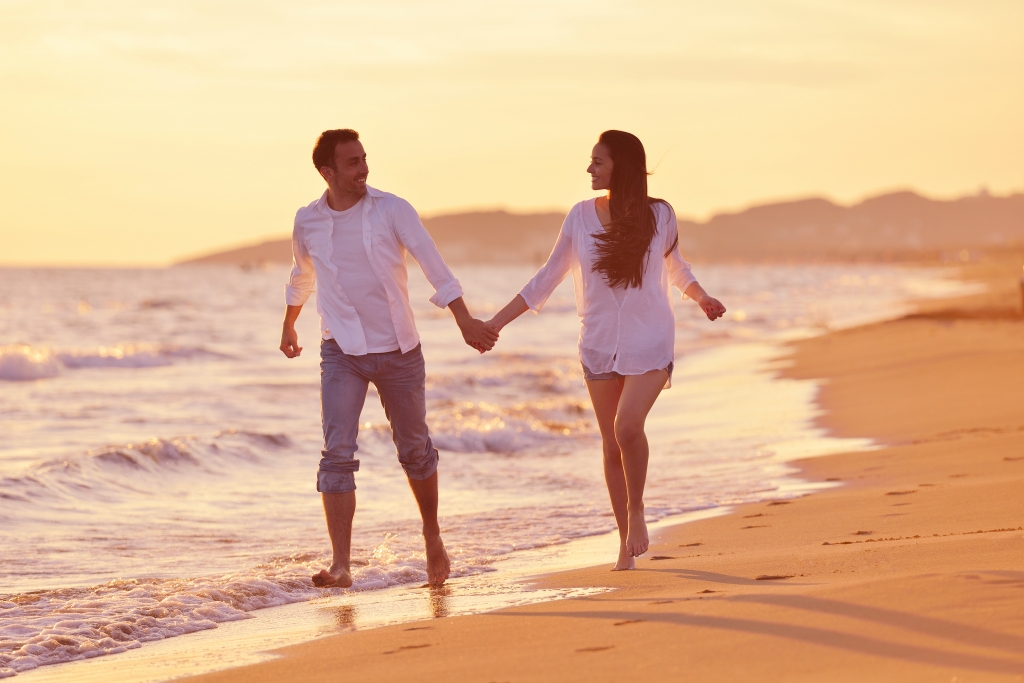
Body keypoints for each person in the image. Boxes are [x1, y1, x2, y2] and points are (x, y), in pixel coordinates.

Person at [487, 130, 726, 571]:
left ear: (622, 166)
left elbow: (675, 266)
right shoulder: (579, 218)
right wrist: (495, 324)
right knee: (610, 444)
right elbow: (548, 276)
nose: (590, 169)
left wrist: (702, 297)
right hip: (598, 344)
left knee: (627, 427)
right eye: (591, 161)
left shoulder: (660, 215)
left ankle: (637, 512)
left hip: (650, 339)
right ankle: (624, 543)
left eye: (598, 161)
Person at [280, 129, 498, 588]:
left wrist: (463, 319)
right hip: (341, 351)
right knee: (336, 453)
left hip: (399, 349)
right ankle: (341, 564)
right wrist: (289, 323)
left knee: (415, 452)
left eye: (364, 159)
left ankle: (432, 536)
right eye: (352, 163)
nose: (362, 169)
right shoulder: (308, 221)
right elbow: (302, 275)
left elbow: (432, 264)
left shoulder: (392, 209)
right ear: (327, 172)